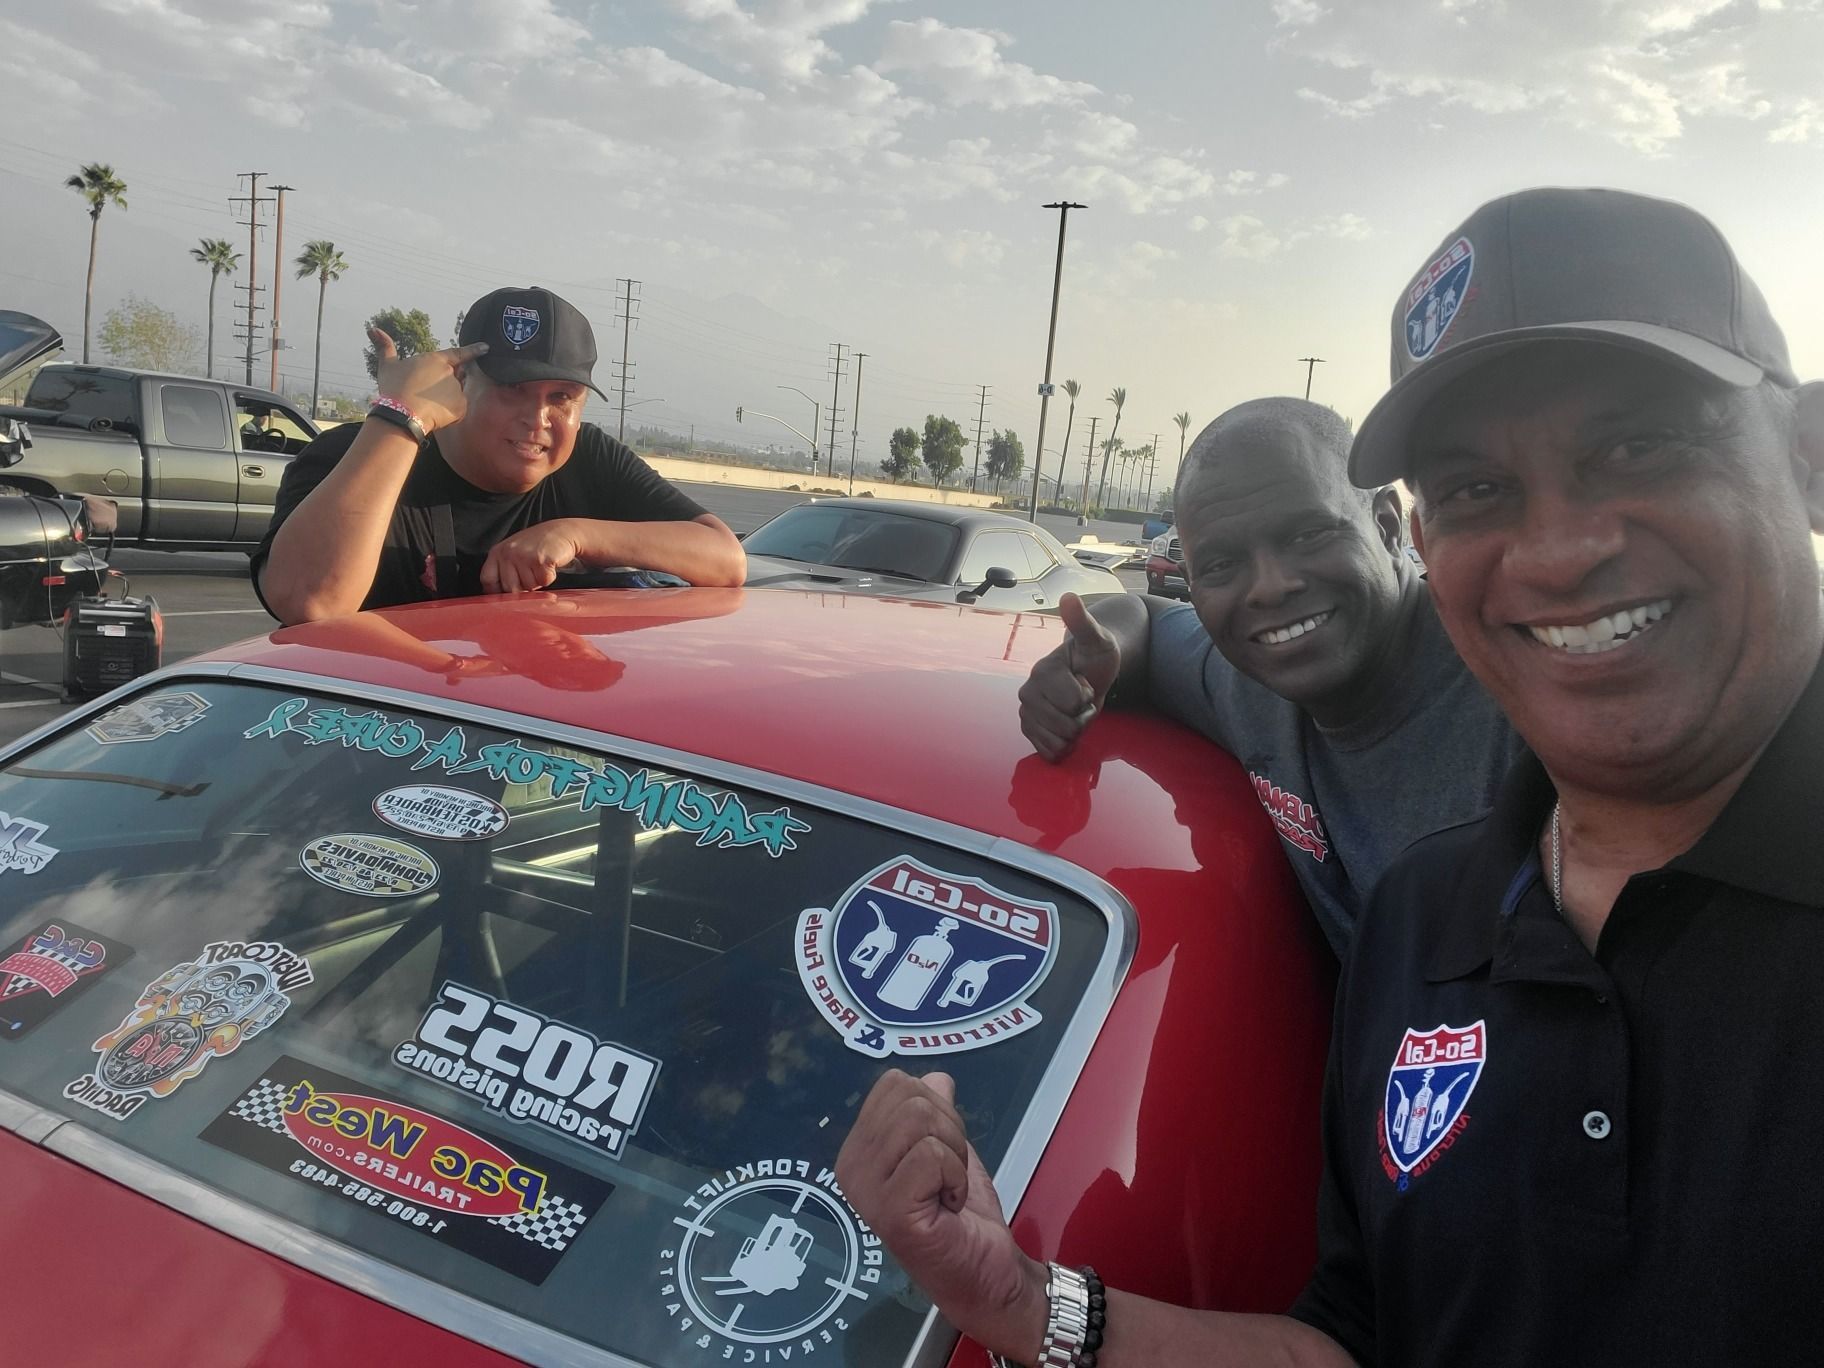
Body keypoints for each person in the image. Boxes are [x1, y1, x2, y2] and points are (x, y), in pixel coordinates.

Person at [839, 186, 1824, 1367]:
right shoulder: (1425, 924)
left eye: (1638, 445)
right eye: (1479, 488)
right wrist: (1014, 1301)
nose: (1560, 552)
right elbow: (1354, 1344)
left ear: (1806, 459)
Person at [1019, 396, 1522, 953]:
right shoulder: (1248, 683)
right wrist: (1098, 656)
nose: (1268, 587)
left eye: (1307, 535)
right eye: (1220, 566)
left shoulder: (1525, 698)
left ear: (1385, 525)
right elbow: (1146, 617)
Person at [254, 286, 744, 623]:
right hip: (370, 734)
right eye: (513, 389)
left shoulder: (589, 459)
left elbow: (725, 559)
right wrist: (399, 419)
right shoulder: (354, 455)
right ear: (460, 383)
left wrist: (575, 534)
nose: (537, 418)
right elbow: (311, 604)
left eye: (561, 398)